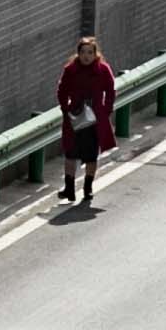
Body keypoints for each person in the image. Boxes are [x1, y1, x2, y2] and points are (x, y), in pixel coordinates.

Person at [56, 35, 121, 208]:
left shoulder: (103, 69)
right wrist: (65, 108)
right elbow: (62, 90)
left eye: (90, 52)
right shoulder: (71, 70)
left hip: (95, 118)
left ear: (95, 53)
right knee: (70, 152)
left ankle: (88, 187)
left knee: (91, 154)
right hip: (75, 116)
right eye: (83, 52)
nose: (86, 56)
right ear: (78, 53)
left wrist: (106, 109)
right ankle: (69, 188)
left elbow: (110, 90)